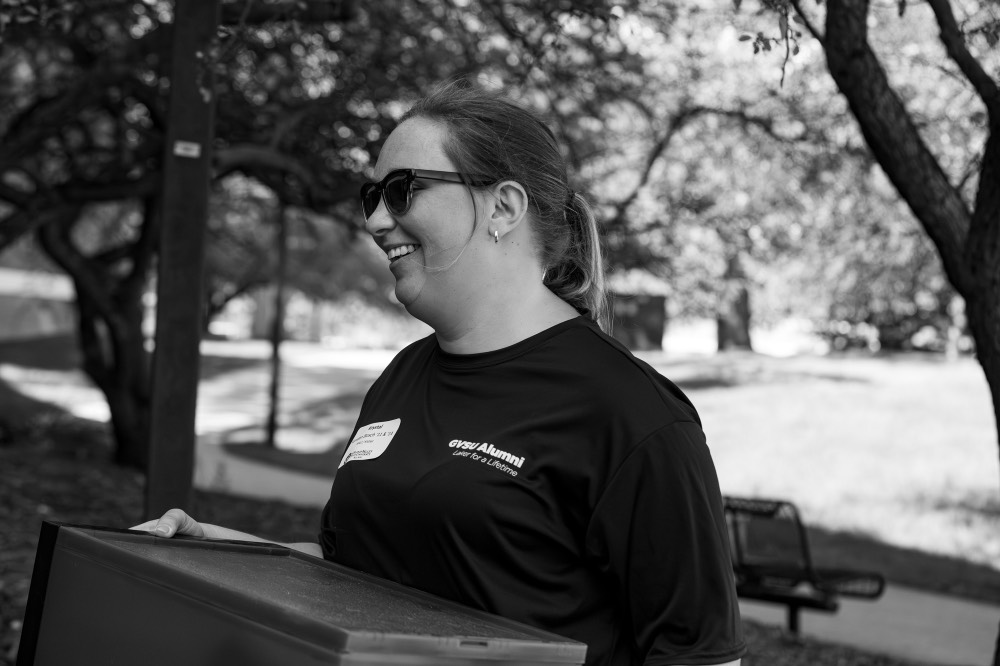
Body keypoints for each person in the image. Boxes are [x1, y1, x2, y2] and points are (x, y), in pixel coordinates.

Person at [135, 81, 746, 666]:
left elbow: (698, 656)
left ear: (502, 206)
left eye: (401, 190)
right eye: (371, 197)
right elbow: (351, 574)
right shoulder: (403, 375)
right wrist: (215, 552)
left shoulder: (629, 411)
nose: (375, 222)